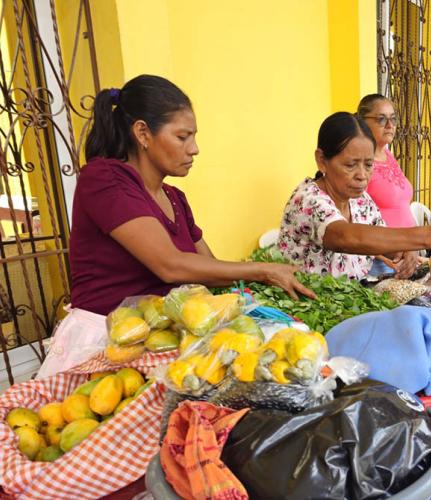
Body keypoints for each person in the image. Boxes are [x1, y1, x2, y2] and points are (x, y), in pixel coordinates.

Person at [40, 75, 315, 378]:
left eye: (193, 137)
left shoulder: (175, 198)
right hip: (105, 344)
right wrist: (262, 270)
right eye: (182, 137)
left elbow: (207, 268)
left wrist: (260, 298)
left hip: (162, 341)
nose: (194, 148)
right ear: (143, 133)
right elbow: (170, 266)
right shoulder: (105, 179)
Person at [278, 112, 431, 280]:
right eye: (350, 165)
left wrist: (408, 250)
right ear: (322, 160)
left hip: (353, 299)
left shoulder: (360, 199)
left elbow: (382, 240)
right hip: (307, 314)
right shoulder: (308, 200)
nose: (362, 176)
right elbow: (344, 236)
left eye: (368, 165)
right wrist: (430, 235)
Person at [356, 94, 418, 276]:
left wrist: (412, 246)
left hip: (407, 256)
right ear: (362, 122)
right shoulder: (360, 164)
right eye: (381, 119)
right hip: (381, 262)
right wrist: (398, 249)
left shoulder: (387, 154)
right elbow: (355, 219)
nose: (390, 125)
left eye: (393, 119)